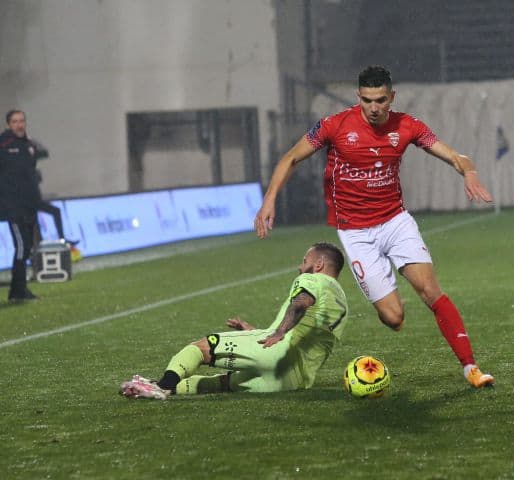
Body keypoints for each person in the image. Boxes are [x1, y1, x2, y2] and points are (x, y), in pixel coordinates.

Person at [255, 65, 495, 388]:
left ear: (391, 97)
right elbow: (290, 158)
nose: (374, 108)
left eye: (381, 100)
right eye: (367, 100)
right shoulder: (335, 125)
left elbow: (454, 156)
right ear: (359, 96)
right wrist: (269, 199)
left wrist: (469, 171)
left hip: (395, 222)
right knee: (393, 318)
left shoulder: (407, 127)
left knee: (430, 290)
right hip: (356, 234)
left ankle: (471, 368)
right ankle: (386, 286)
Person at [120, 242, 349, 400]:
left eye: (305, 260)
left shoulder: (313, 280)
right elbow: (306, 333)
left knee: (201, 348)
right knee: (223, 384)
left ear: (318, 264)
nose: (300, 266)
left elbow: (300, 303)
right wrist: (257, 331)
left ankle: (161, 387)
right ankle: (153, 386)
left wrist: (278, 333)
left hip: (277, 353)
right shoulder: (342, 304)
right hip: (291, 381)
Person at [0, 110, 43, 302]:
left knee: (26, 248)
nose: (19, 125)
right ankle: (17, 292)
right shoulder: (3, 145)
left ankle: (20, 291)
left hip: (28, 206)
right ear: (9, 124)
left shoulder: (29, 145)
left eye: (22, 121)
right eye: (15, 121)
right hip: (13, 207)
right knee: (21, 246)